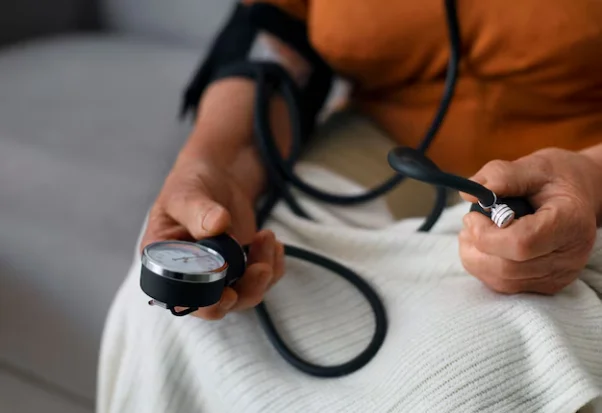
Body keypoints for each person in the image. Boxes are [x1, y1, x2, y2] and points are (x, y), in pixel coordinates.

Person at [97, 2, 602, 412]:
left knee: (476, 374)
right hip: (386, 150)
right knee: (180, 321)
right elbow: (275, 33)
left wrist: (590, 180)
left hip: (572, 172)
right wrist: (215, 161)